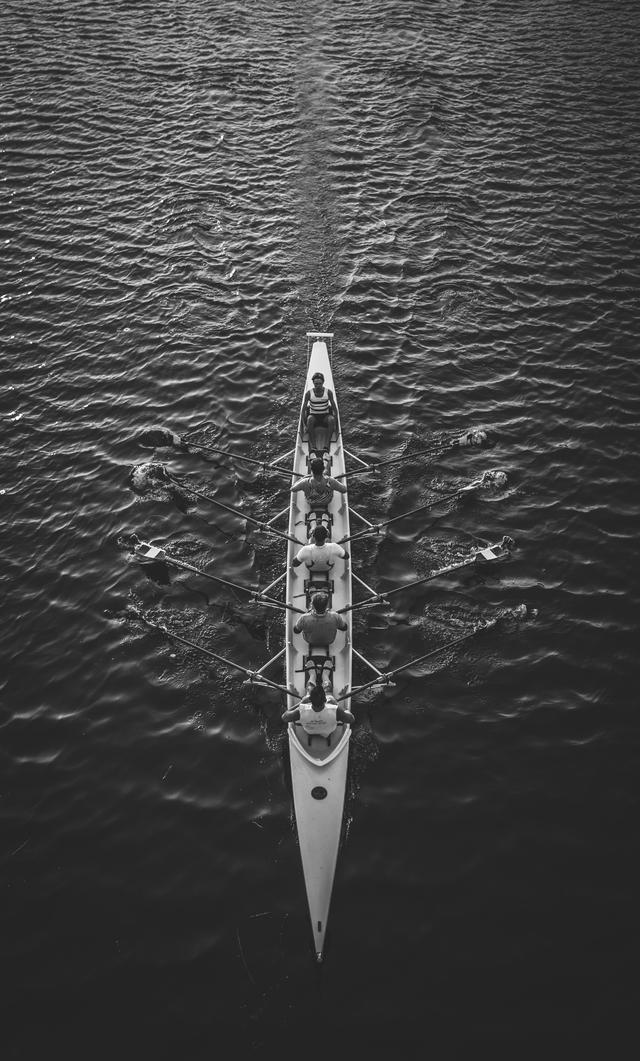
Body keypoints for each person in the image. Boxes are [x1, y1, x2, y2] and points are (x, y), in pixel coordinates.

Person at [282, 684, 354, 737]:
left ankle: (312, 676)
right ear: (325, 700)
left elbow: (284, 717)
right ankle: (325, 677)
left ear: (310, 700)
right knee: (328, 691)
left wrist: (301, 703)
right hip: (328, 732)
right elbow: (351, 719)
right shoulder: (335, 710)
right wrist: (336, 704)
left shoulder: (301, 710)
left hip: (309, 731)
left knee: (310, 688)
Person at [301, 371, 339, 455]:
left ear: (323, 382)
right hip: (314, 417)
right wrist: (304, 425)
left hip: (325, 416)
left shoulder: (328, 392)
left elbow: (334, 409)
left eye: (319, 384)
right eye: (316, 384)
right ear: (313, 383)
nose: (318, 386)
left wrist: (335, 424)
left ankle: (326, 446)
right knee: (309, 419)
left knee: (331, 419)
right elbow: (303, 410)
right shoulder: (308, 394)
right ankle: (313, 447)